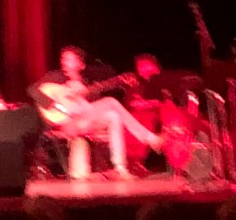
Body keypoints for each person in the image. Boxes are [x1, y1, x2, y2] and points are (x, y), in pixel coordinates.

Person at [30, 47, 162, 179]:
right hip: (66, 125)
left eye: (69, 59)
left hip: (83, 122)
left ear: (81, 64)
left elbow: (88, 110)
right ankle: (150, 138)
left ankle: (120, 168)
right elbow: (33, 90)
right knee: (110, 102)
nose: (64, 62)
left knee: (114, 116)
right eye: (63, 58)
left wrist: (118, 82)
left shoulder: (86, 84)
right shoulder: (55, 77)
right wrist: (55, 105)